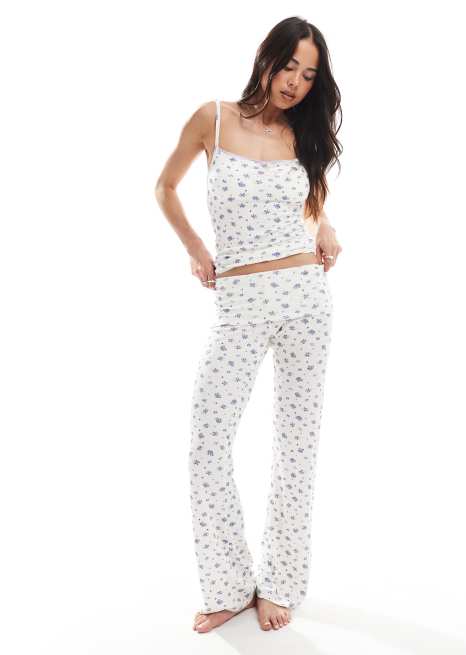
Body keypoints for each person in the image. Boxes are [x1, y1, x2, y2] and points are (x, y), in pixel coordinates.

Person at [155, 16, 343, 634]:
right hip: (238, 304)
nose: (295, 83)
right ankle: (230, 585)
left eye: (308, 75)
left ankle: (281, 583)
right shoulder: (212, 119)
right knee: (208, 441)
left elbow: (311, 198)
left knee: (296, 447)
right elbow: (165, 187)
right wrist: (196, 249)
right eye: (289, 67)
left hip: (305, 300)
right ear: (266, 57)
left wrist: (325, 226)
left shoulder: (303, 134)